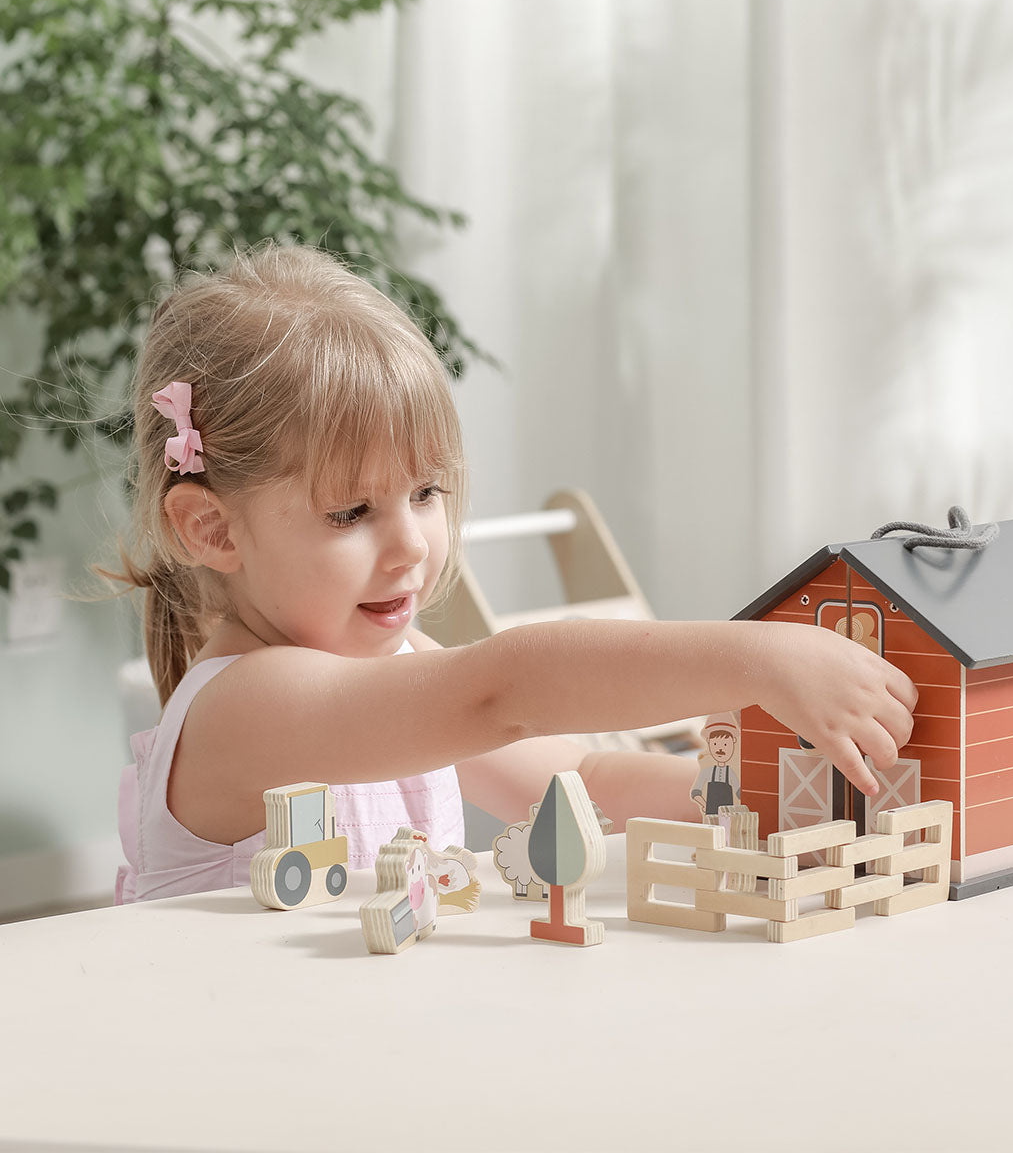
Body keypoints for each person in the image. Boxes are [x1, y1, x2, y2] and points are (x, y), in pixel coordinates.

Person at [104, 244, 917, 903]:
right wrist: (759, 659)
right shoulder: (249, 704)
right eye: (351, 513)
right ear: (212, 528)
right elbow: (505, 690)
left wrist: (745, 793)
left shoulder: (399, 665)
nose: (412, 544)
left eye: (425, 493)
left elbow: (584, 783)